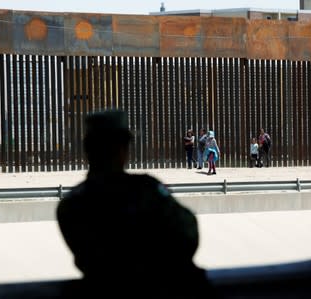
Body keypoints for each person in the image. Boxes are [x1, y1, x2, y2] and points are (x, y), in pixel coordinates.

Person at [56, 109, 216, 298]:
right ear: (124, 149)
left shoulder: (71, 205)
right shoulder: (147, 189)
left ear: (88, 150)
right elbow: (189, 234)